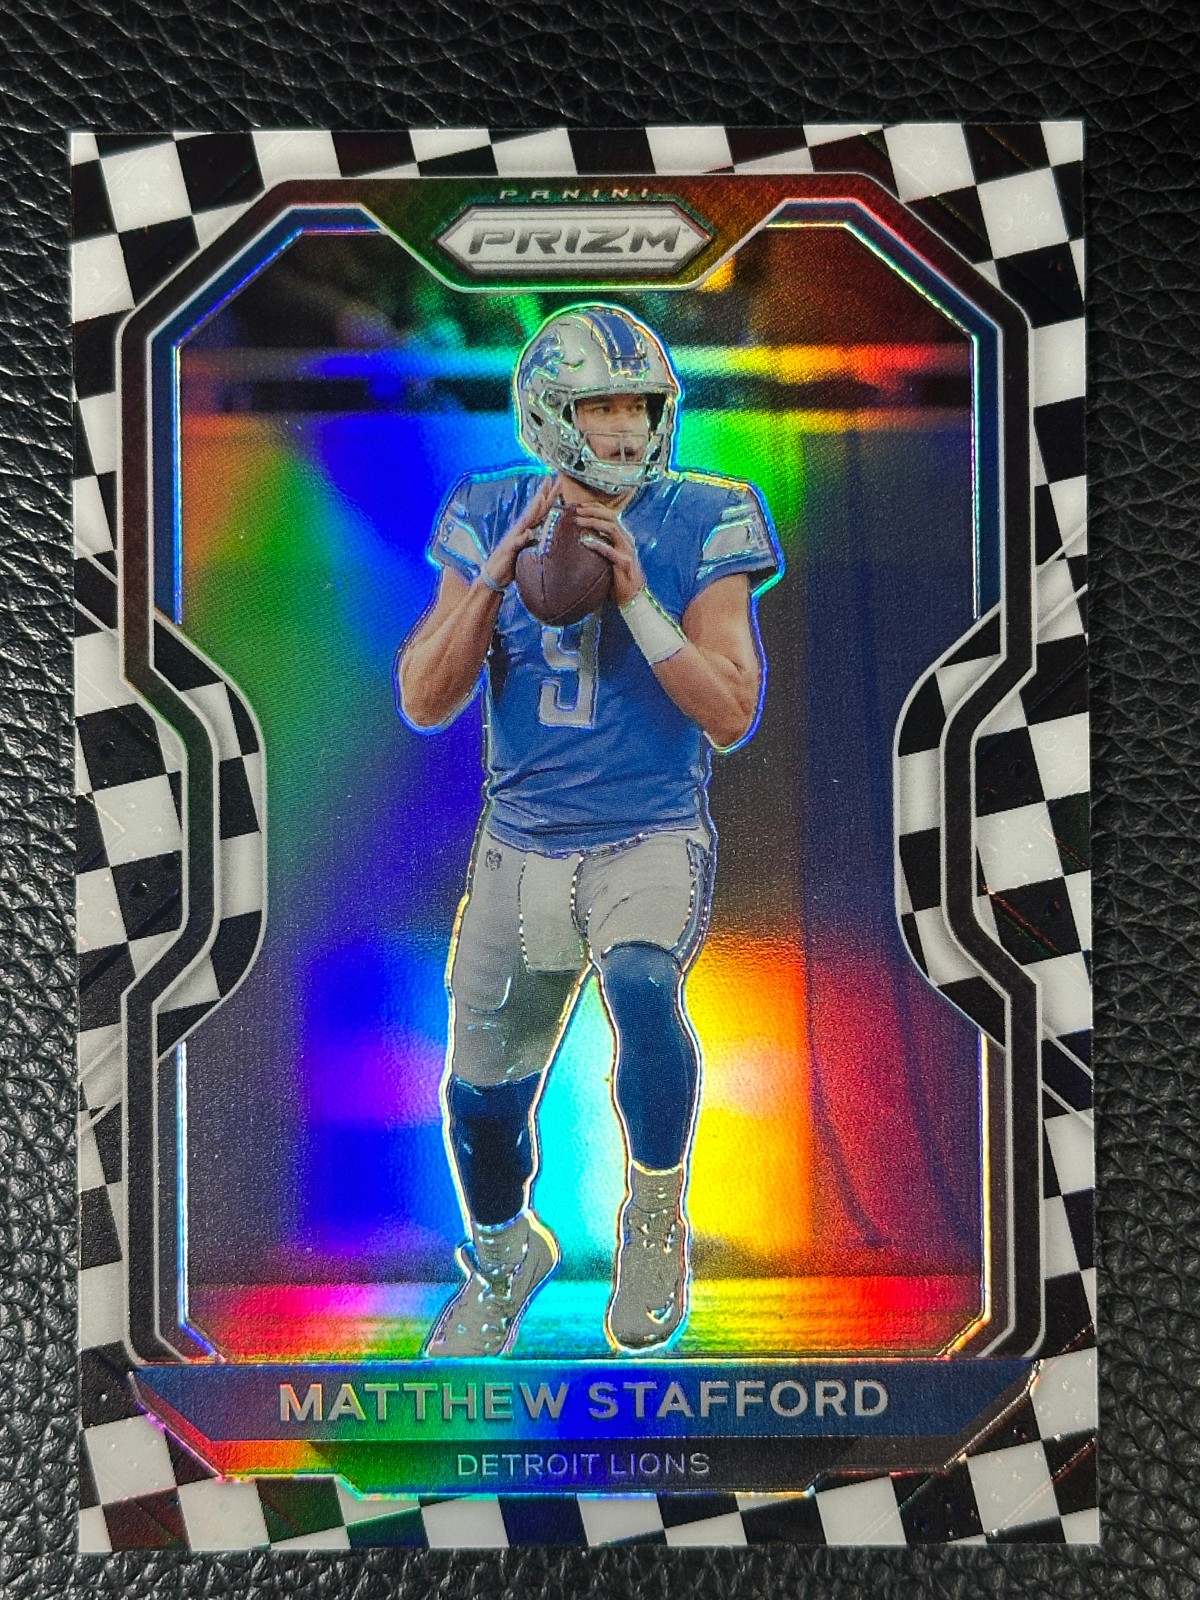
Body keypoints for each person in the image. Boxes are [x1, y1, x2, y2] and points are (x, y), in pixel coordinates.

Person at [396, 303, 781, 1356]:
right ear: (548, 413)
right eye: (601, 406)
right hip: (520, 845)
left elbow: (731, 713)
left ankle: (654, 1221)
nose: (625, 427)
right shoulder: (488, 505)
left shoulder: (708, 512)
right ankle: (504, 1252)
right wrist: (494, 574)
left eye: (639, 405)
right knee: (481, 1099)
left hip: (646, 833)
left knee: (645, 985)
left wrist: (640, 599)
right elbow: (425, 697)